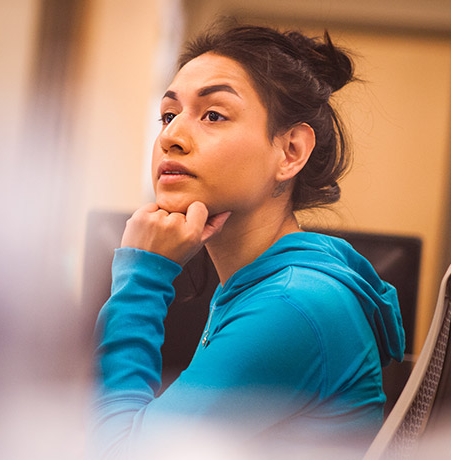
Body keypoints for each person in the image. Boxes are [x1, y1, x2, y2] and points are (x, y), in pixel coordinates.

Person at [91, 24, 405, 458]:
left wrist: (141, 278)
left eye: (213, 115)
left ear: (290, 151)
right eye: (168, 115)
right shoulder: (265, 283)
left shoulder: (294, 305)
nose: (170, 138)